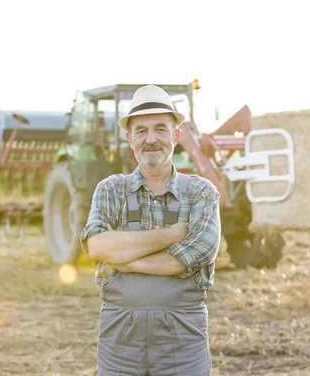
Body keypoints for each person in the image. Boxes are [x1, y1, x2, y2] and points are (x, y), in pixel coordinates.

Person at [79, 85, 220, 376]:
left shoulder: (201, 192)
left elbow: (195, 254)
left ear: (177, 135)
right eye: (141, 131)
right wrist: (168, 236)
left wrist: (124, 260)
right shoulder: (110, 190)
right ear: (129, 139)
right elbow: (97, 247)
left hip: (183, 333)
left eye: (160, 129)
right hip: (121, 336)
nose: (151, 139)